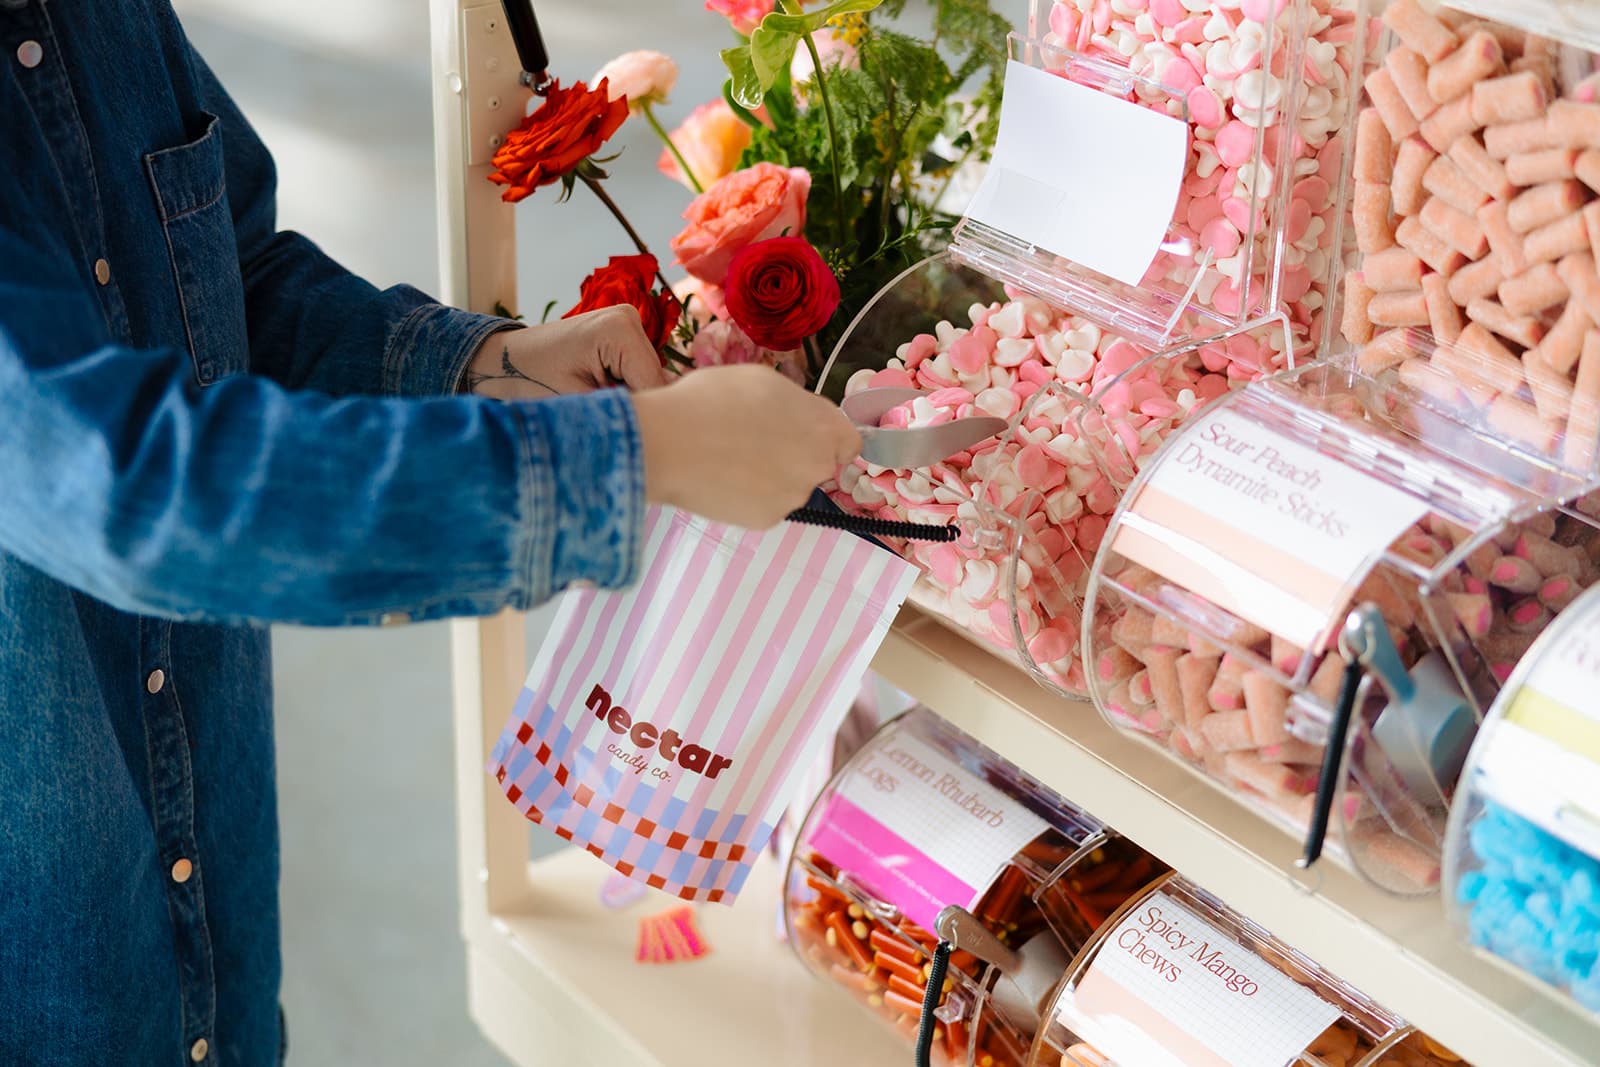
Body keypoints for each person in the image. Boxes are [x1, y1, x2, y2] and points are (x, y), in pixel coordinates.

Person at [0, 1, 861, 1063]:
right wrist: (638, 456)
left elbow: (224, 282)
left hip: (212, 962)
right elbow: (136, 485)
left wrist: (480, 364)